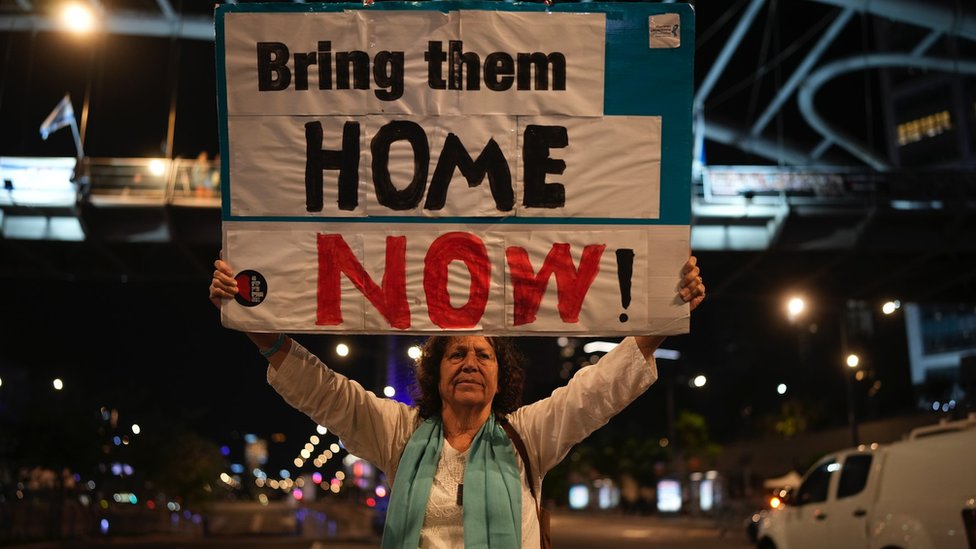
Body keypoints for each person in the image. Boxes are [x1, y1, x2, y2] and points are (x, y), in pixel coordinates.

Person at [208, 255, 705, 548]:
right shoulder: (397, 432)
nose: (470, 361)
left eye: (483, 355)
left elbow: (597, 391)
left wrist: (666, 315)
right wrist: (254, 323)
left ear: (499, 375)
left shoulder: (527, 433)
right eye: (457, 354)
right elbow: (325, 393)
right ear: (435, 370)